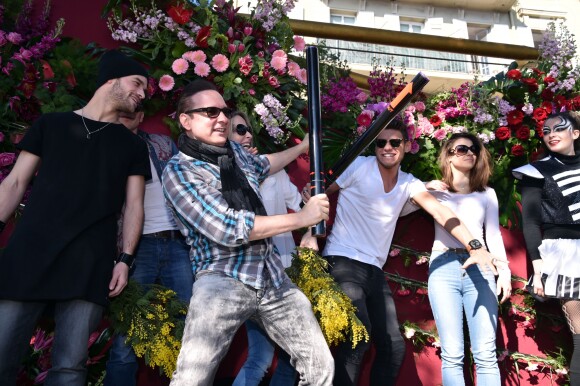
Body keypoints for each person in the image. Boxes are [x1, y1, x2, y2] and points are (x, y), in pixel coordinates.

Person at [161, 79, 333, 386]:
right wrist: (302, 218)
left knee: (320, 366)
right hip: (221, 279)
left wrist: (304, 146)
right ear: (186, 121)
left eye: (225, 112)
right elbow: (229, 227)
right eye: (210, 112)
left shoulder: (235, 155)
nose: (223, 119)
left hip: (272, 276)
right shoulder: (179, 171)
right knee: (192, 379)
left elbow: (263, 164)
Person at [0, 50, 150, 386]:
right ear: (110, 80)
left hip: (90, 261)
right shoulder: (51, 125)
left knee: (69, 369)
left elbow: (134, 206)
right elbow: (14, 183)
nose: (142, 94)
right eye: (137, 84)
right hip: (29, 255)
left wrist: (124, 259)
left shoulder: (132, 147)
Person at [318, 121, 501, 386]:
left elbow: (441, 212)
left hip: (374, 269)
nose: (387, 148)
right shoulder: (359, 166)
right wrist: (309, 230)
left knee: (393, 347)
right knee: (358, 336)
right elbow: (320, 192)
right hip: (342, 260)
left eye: (394, 142)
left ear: (405, 147)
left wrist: (475, 245)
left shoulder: (409, 184)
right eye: (381, 143)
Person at [104, 106, 194, 386]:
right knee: (127, 337)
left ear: (142, 116)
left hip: (177, 244)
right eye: (119, 115)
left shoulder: (162, 144)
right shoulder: (106, 150)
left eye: (130, 115)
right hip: (136, 248)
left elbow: (190, 180)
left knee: (189, 329)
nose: (124, 120)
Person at [425, 132, 511, 386]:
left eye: (474, 149)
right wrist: (426, 188)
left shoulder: (487, 194)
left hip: (481, 266)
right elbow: (400, 207)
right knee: (452, 354)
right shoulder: (434, 192)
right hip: (443, 267)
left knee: (485, 353)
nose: (470, 153)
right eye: (462, 148)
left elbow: (493, 235)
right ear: (449, 155)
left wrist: (503, 273)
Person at [229, 110, 299, 386]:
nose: (245, 135)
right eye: (238, 130)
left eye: (247, 129)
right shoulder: (221, 175)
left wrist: (309, 200)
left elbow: (300, 206)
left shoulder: (276, 172)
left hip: (287, 270)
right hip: (252, 276)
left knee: (291, 357)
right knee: (260, 355)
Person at [513, 111, 580, 386]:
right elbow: (530, 223)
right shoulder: (536, 171)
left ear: (575, 133)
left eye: (559, 128)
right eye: (546, 129)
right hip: (562, 254)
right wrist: (538, 267)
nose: (551, 133)